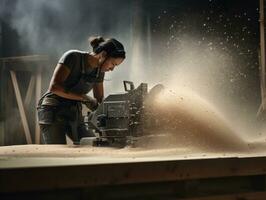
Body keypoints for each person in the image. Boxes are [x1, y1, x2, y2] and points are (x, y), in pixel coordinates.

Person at [37, 36, 126, 144]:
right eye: (113, 64)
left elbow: (99, 100)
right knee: (57, 152)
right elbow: (55, 87)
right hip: (52, 110)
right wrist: (84, 98)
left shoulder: (99, 71)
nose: (112, 69)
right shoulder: (72, 57)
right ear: (103, 55)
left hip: (74, 112)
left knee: (93, 145)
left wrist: (113, 115)